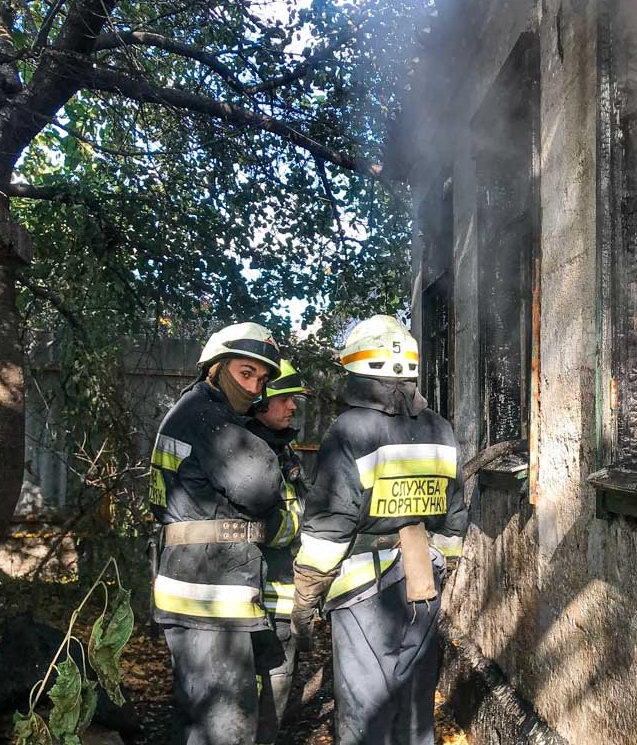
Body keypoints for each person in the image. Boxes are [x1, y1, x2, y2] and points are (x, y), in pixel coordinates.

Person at [290, 315, 466, 745]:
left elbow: (330, 527)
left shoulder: (349, 431)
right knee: (413, 707)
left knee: (365, 712)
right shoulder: (440, 429)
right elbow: (454, 516)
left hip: (361, 590)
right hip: (422, 583)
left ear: (358, 373)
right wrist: (438, 567)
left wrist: (304, 601)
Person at [149, 322, 285, 745]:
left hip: (194, 587)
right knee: (226, 726)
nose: (255, 386)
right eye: (246, 373)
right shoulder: (207, 418)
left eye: (262, 379)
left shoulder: (190, 412)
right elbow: (260, 486)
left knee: (198, 720)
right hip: (211, 597)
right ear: (215, 368)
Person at [245, 360, 310, 745]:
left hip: (281, 601)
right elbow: (264, 528)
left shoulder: (283, 453)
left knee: (274, 701)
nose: (293, 407)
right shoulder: (243, 451)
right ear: (261, 400)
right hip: (250, 602)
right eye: (285, 399)